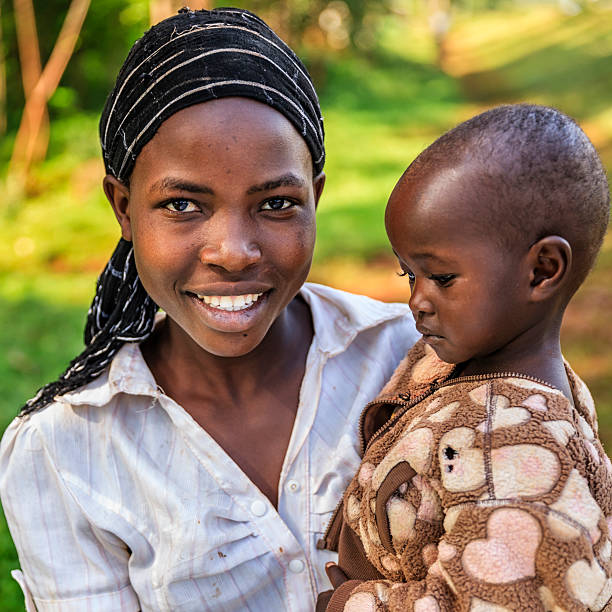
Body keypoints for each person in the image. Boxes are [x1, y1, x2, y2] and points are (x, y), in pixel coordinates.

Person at [0, 8, 419, 611]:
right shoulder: (67, 450)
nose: (233, 252)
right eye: (182, 206)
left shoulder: (409, 360)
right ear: (122, 207)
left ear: (315, 197)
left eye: (276, 203)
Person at [317, 104, 612, 611]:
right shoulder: (469, 363)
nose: (417, 300)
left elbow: (507, 601)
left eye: (442, 278)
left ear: (543, 270)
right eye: (409, 275)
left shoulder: (516, 453)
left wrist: (347, 603)